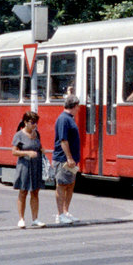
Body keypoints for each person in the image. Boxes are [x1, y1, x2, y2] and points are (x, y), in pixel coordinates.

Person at [12, 111, 46, 228]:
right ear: (26, 122)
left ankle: (35, 218)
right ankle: (21, 219)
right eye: (32, 123)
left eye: (36, 123)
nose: (35, 125)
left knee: (35, 192)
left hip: (36, 166)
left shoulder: (37, 134)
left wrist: (42, 150)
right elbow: (14, 152)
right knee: (23, 191)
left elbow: (39, 146)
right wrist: (27, 153)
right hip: (24, 166)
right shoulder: (19, 135)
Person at [53, 93, 81, 224]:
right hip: (63, 159)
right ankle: (60, 214)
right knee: (62, 185)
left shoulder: (69, 118)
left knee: (70, 184)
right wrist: (69, 158)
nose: (79, 109)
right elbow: (63, 140)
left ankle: (66, 212)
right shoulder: (64, 119)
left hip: (71, 159)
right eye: (78, 106)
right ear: (75, 106)